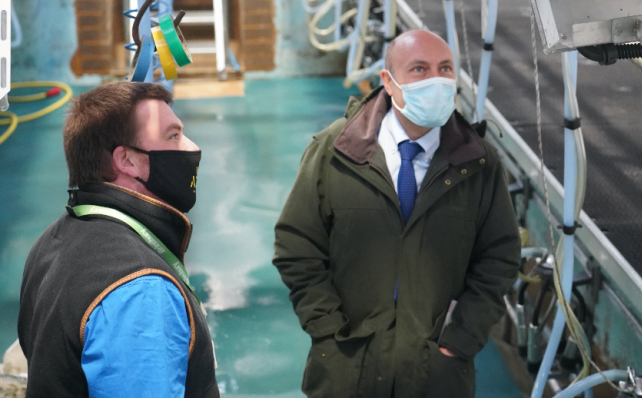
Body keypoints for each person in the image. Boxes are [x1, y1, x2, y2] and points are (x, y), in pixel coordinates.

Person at [273, 30, 521, 398]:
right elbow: (297, 245)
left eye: (445, 69)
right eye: (419, 69)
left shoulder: (478, 164)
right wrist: (327, 329)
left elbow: (498, 258)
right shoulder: (335, 150)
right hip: (346, 367)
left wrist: (461, 338)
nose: (435, 80)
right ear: (389, 82)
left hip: (435, 373)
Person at [17, 82, 220, 398]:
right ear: (127, 160)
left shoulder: (53, 240)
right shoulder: (140, 288)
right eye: (174, 136)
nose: (191, 148)